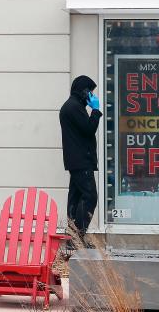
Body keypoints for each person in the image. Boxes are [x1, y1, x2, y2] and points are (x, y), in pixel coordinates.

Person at [59, 75, 102, 245]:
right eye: (90, 91)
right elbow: (89, 129)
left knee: (76, 198)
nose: (92, 95)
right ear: (83, 91)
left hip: (76, 161)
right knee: (90, 197)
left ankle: (72, 237)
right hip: (81, 161)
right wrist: (96, 111)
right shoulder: (74, 107)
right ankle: (77, 238)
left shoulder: (72, 106)